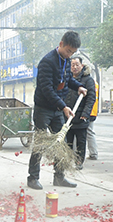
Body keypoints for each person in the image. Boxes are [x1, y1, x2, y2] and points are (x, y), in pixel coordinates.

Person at [27, 31, 87, 190]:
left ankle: (59, 177)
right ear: (61, 44)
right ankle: (32, 177)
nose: (69, 55)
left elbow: (67, 80)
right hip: (43, 108)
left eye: (73, 53)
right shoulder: (47, 62)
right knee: (40, 142)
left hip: (57, 109)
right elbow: (47, 89)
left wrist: (78, 87)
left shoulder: (67, 61)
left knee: (61, 143)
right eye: (68, 51)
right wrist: (63, 106)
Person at [64, 56, 96, 170]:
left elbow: (91, 98)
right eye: (73, 65)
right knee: (68, 141)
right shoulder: (66, 79)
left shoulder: (88, 80)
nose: (75, 67)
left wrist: (86, 113)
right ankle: (67, 161)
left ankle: (79, 162)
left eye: (77, 64)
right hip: (67, 116)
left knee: (81, 142)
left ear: (81, 66)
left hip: (81, 116)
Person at [86, 82, 100, 160]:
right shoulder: (95, 83)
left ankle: (93, 153)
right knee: (90, 132)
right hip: (93, 111)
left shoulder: (88, 82)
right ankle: (93, 153)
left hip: (88, 111)